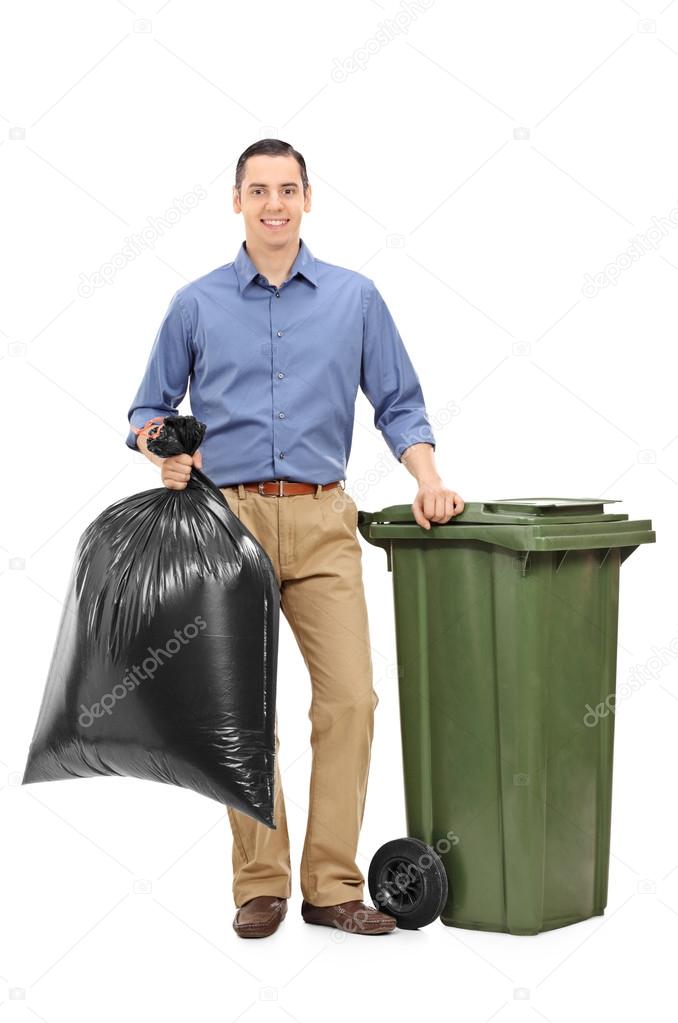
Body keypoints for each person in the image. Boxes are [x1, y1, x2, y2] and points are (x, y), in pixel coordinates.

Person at [125, 138, 464, 937]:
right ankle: (261, 881)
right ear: (236, 201)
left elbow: (399, 404)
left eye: (287, 189)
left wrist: (427, 477)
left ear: (308, 198)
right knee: (242, 711)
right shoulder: (196, 304)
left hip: (324, 521)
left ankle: (333, 885)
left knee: (351, 698)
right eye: (258, 190)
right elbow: (146, 413)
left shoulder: (355, 298)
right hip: (225, 521)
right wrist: (165, 452)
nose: (274, 204)